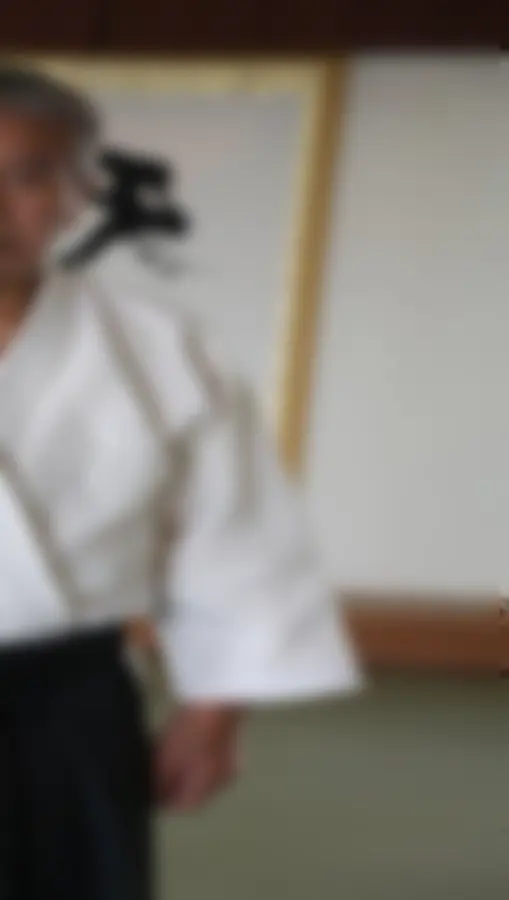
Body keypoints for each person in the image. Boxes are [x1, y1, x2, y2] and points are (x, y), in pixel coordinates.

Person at [0, 64, 360, 899]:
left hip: (68, 706)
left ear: (76, 191)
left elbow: (236, 533)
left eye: (25, 174)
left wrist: (212, 711)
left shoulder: (152, 348)